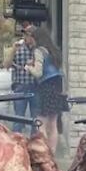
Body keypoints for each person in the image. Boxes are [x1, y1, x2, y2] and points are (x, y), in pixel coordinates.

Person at [23, 25, 64, 153]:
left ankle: (43, 153)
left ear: (37, 39)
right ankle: (52, 152)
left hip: (45, 86)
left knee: (41, 122)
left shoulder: (38, 51)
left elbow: (38, 73)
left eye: (33, 38)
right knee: (53, 123)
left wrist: (28, 67)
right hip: (57, 85)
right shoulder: (54, 51)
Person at [4, 28, 38, 134]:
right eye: (25, 35)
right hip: (20, 86)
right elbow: (6, 65)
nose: (26, 37)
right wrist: (13, 50)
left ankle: (35, 144)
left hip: (36, 86)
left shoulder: (38, 49)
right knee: (18, 118)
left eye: (28, 35)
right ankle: (16, 145)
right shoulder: (17, 48)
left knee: (36, 120)